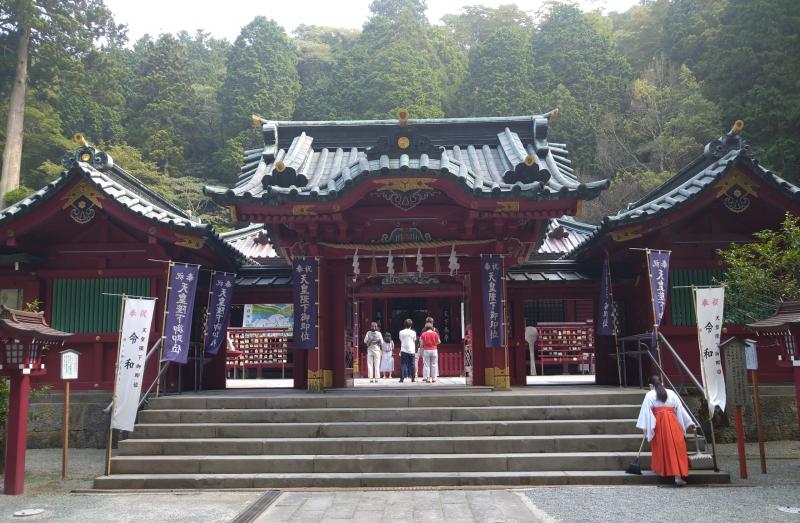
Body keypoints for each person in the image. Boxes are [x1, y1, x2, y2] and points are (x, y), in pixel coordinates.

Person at [636, 375, 696, 486]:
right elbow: (680, 409)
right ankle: (678, 476)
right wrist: (690, 422)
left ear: (650, 385)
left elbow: (646, 412)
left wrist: (646, 427)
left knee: (663, 447)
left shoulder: (649, 395)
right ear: (662, 383)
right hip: (673, 421)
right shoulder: (671, 393)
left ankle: (663, 470)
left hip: (659, 424)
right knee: (677, 448)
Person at [398, 319, 416, 383]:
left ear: (404, 324)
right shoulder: (413, 332)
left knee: (403, 364)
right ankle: (413, 378)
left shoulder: (401, 332)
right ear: (411, 325)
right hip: (411, 349)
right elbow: (414, 339)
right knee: (412, 364)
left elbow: (401, 339)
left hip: (403, 349)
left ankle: (401, 379)